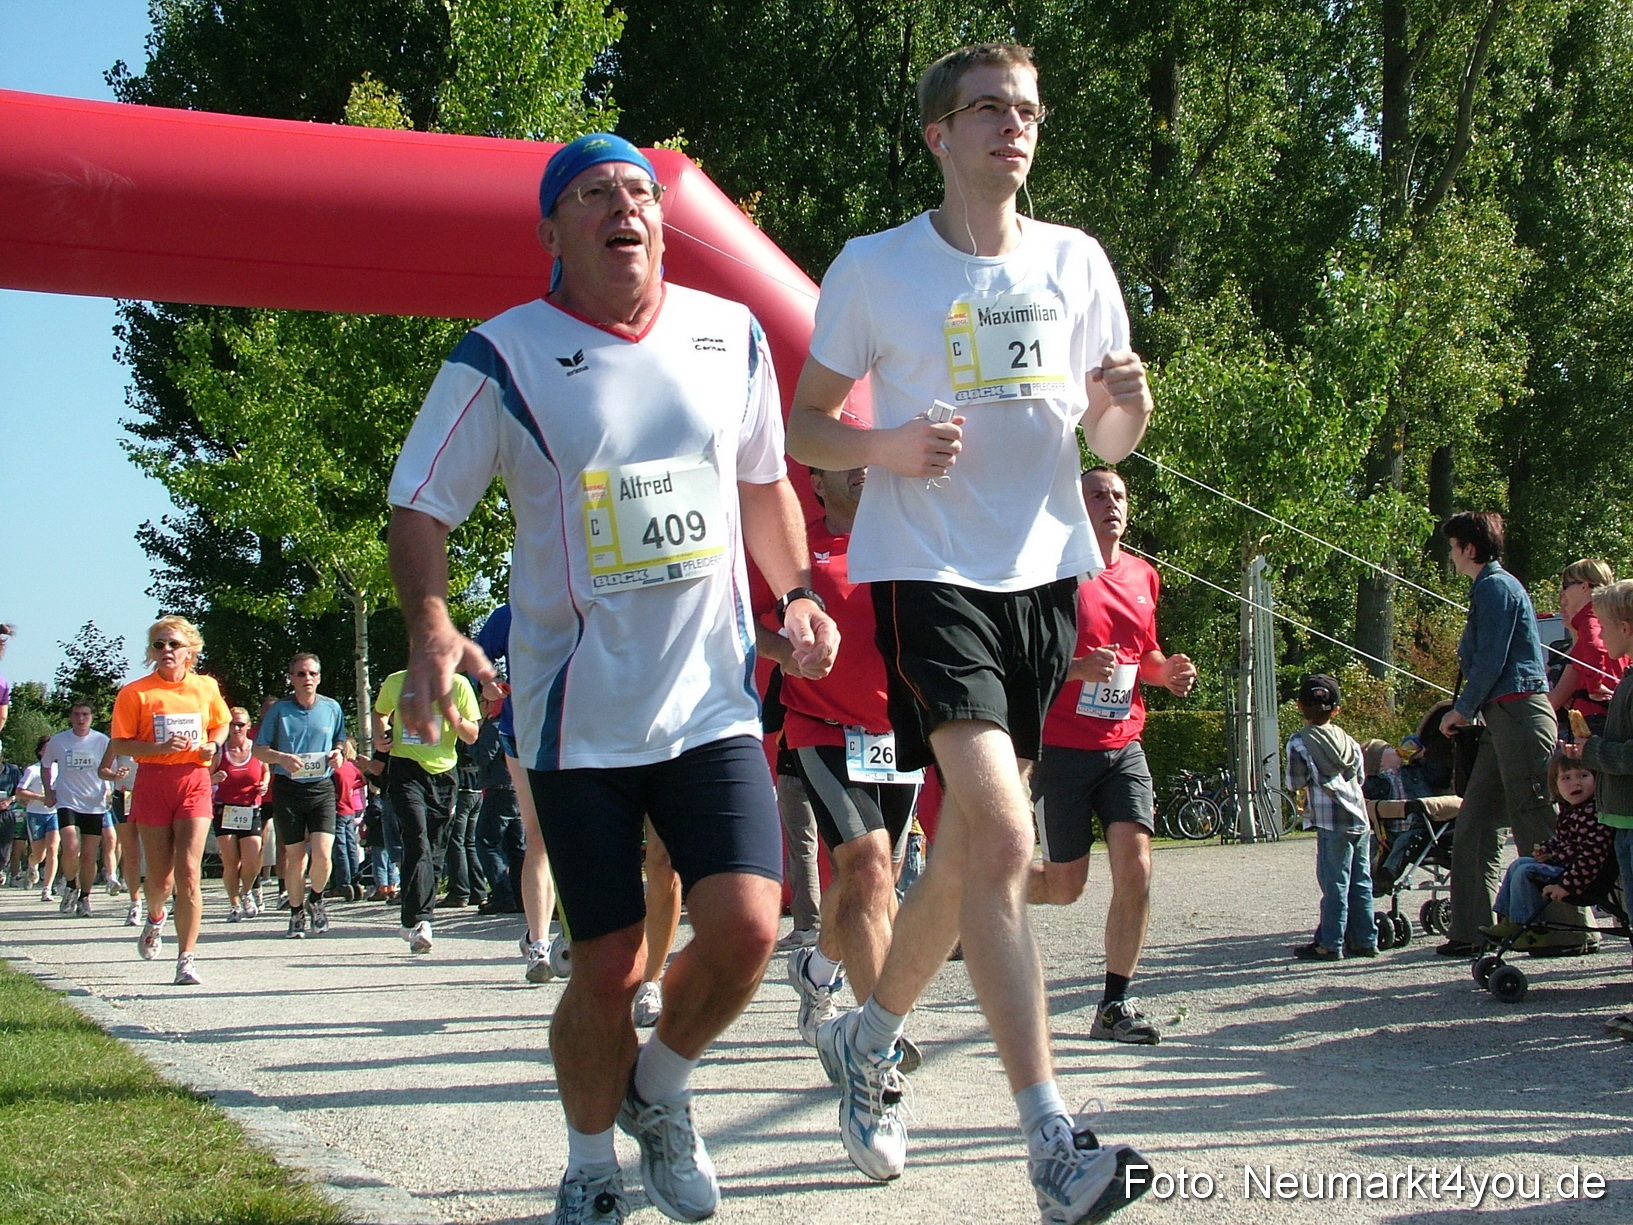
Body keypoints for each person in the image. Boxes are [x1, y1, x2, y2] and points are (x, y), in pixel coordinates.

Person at [384, 131, 838, 1225]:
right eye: (594, 193)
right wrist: (432, 627)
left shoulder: (729, 335)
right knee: (605, 966)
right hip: (575, 717)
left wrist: (797, 593)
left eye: (638, 190)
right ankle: (590, 1165)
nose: (624, 207)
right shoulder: (501, 354)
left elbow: (762, 487)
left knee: (743, 927)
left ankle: (659, 1093)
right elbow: (418, 505)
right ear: (553, 229)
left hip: (710, 700)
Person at [786, 41, 1155, 1222]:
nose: (1014, 125)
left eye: (1028, 110)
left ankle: (871, 1033)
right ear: (938, 135)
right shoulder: (874, 266)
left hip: (1044, 573)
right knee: (999, 835)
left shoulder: (1074, 261)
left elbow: (1105, 442)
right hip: (926, 571)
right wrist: (885, 449)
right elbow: (807, 426)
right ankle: (1048, 1139)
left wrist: (1128, 408)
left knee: (968, 855)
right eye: (988, 108)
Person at [1028, 466, 1196, 1041]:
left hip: (1124, 742)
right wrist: (1076, 668)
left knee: (1137, 868)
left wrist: (1166, 672)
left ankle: (1114, 1006)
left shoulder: (1144, 575)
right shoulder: (1051, 571)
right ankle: (976, 885)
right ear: (1076, 505)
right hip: (1062, 747)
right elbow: (1022, 662)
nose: (1111, 503)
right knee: (1064, 886)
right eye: (1097, 494)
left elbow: (1144, 655)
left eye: (1119, 494)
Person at [763, 464, 924, 1056]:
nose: (860, 467)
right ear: (816, 484)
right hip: (822, 729)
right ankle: (878, 1033)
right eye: (841, 460)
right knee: (869, 866)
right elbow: (746, 620)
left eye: (866, 457)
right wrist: (788, 655)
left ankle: (816, 971)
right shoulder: (795, 556)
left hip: (897, 737)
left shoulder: (905, 538)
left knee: (873, 886)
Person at [1438, 513, 1583, 956]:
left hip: (1519, 713)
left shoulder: (1497, 587)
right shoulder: (1487, 587)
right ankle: (1472, 927)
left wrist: (1459, 711)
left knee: (1534, 817)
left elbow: (1492, 659)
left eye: (1453, 544)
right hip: (1500, 719)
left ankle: (1566, 928)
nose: (1450, 553)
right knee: (1475, 819)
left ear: (1470, 547)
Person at [108, 616, 231, 986]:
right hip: (153, 782)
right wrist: (159, 747)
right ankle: (156, 915)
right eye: (159, 645)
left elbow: (219, 723)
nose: (166, 651)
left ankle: (186, 958)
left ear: (189, 650)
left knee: (189, 872)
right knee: (160, 880)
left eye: (173, 645)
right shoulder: (136, 693)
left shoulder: (205, 687)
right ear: (151, 652)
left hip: (194, 780)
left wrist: (215, 742)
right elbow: (120, 743)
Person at [473, 604, 562, 983]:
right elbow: (477, 655)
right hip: (521, 730)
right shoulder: (509, 614)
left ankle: (565, 933)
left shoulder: (583, 600)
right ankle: (540, 943)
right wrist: (487, 682)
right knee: (539, 833)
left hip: (578, 726)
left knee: (568, 833)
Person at [1561, 579, 1633, 1038]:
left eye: (1605, 627)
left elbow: (1628, 756)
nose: (1601, 638)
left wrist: (1591, 750)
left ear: (1626, 627)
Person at [373, 667, 480, 955]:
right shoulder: (396, 681)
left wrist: (452, 715)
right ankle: (421, 921)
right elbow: (379, 712)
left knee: (434, 847)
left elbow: (472, 735)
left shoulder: (458, 686)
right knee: (416, 838)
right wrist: (379, 734)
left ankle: (413, 916)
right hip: (406, 768)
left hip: (444, 773)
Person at [254, 653, 348, 939]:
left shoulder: (331, 708)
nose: (307, 679)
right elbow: (258, 749)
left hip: (321, 788)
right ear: (291, 678)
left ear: (319, 677)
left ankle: (316, 899)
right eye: (300, 674)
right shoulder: (279, 711)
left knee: (322, 854)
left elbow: (341, 741)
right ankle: (296, 912)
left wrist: (339, 754)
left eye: (312, 674)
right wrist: (281, 758)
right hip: (288, 788)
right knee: (295, 858)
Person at [1284, 675, 1375, 961]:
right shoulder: (1348, 740)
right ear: (1336, 709)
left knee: (1334, 882)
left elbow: (1295, 782)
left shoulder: (1299, 742)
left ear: (1300, 706)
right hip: (1359, 818)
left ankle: (1330, 942)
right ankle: (1364, 939)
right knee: (1361, 881)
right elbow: (1360, 778)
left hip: (1329, 820)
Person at [1481, 755, 1613, 939]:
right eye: (1566, 778)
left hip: (1580, 879)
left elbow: (1592, 856)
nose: (1575, 783)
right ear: (1555, 786)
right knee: (1518, 864)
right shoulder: (1570, 811)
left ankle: (1522, 925)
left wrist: (1567, 886)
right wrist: (1548, 851)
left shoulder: (1593, 813)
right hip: (1567, 869)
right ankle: (1506, 919)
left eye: (1583, 776)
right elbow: (1562, 842)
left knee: (1524, 871)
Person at [41, 700, 111, 917]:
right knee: (70, 847)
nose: (81, 719)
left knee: (90, 856)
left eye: (85, 715)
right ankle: (71, 884)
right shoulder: (59, 741)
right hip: (67, 801)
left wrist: (112, 784)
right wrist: (48, 791)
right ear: (71, 717)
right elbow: (45, 766)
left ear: (91, 717)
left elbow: (110, 769)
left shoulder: (102, 741)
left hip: (94, 803)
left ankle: (85, 897)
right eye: (77, 714)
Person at [1548, 559, 1626, 736]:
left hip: (1596, 714)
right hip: (1607, 709)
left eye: (1566, 585)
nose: (1564, 592)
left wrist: (1594, 686)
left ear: (1584, 586)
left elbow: (1595, 646)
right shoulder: (1609, 616)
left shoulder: (1590, 618)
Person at [211, 707, 268, 920]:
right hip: (225, 809)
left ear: (248, 726)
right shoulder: (220, 751)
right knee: (230, 860)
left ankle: (246, 891)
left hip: (250, 808)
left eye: (240, 725)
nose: (236, 729)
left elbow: (266, 771)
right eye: (232, 725)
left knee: (252, 856)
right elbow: (205, 778)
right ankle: (234, 903)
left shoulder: (257, 749)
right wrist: (214, 779)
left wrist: (264, 785)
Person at [98, 748, 142, 922]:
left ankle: (172, 898)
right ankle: (135, 903)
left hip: (152, 794)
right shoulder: (119, 740)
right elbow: (102, 770)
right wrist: (114, 775)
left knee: (159, 851)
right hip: (125, 795)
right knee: (131, 853)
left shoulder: (154, 731)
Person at [17, 736, 58, 899]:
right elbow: (20, 791)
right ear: (40, 751)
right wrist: (41, 797)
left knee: (53, 849)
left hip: (54, 813)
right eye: (47, 748)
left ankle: (47, 888)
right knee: (39, 854)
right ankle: (32, 864)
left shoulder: (59, 769)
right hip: (36, 814)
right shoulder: (32, 770)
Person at [332, 738, 367, 902]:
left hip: (337, 809)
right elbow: (363, 780)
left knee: (340, 847)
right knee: (351, 845)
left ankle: (344, 882)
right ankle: (355, 878)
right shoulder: (351, 768)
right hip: (349, 809)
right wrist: (352, 787)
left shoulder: (334, 770)